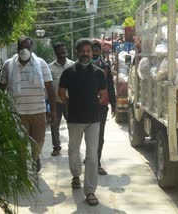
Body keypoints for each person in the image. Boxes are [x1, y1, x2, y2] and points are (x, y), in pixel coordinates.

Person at [58, 38, 107, 206]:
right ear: (77, 52)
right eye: (82, 51)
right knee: (73, 150)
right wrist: (72, 105)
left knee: (92, 156)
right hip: (74, 119)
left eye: (88, 51)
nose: (86, 54)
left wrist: (92, 105)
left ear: (92, 52)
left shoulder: (98, 72)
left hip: (93, 120)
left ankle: (90, 190)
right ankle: (76, 174)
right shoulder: (68, 72)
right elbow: (61, 93)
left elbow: (103, 95)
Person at [0, 37, 56, 173]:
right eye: (22, 47)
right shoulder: (8, 65)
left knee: (39, 141)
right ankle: (22, 169)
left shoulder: (41, 64)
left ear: (32, 49)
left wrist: (53, 110)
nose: (25, 50)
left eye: (27, 48)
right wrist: (0, 106)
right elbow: (1, 86)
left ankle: (35, 158)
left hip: (38, 111)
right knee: (20, 143)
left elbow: (50, 87)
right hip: (17, 112)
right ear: (17, 49)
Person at [92, 40, 116, 175]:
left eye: (97, 50)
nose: (95, 53)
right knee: (90, 135)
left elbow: (110, 85)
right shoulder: (83, 66)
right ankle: (91, 157)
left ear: (100, 51)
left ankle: (97, 162)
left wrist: (114, 103)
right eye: (93, 50)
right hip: (87, 106)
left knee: (100, 135)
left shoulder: (105, 66)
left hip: (101, 106)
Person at [48, 42, 75, 156]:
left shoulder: (73, 65)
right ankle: (56, 147)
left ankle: (73, 146)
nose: (63, 51)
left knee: (73, 125)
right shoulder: (50, 67)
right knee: (54, 125)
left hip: (71, 102)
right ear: (56, 52)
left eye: (64, 49)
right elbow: (48, 86)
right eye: (60, 50)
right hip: (56, 102)